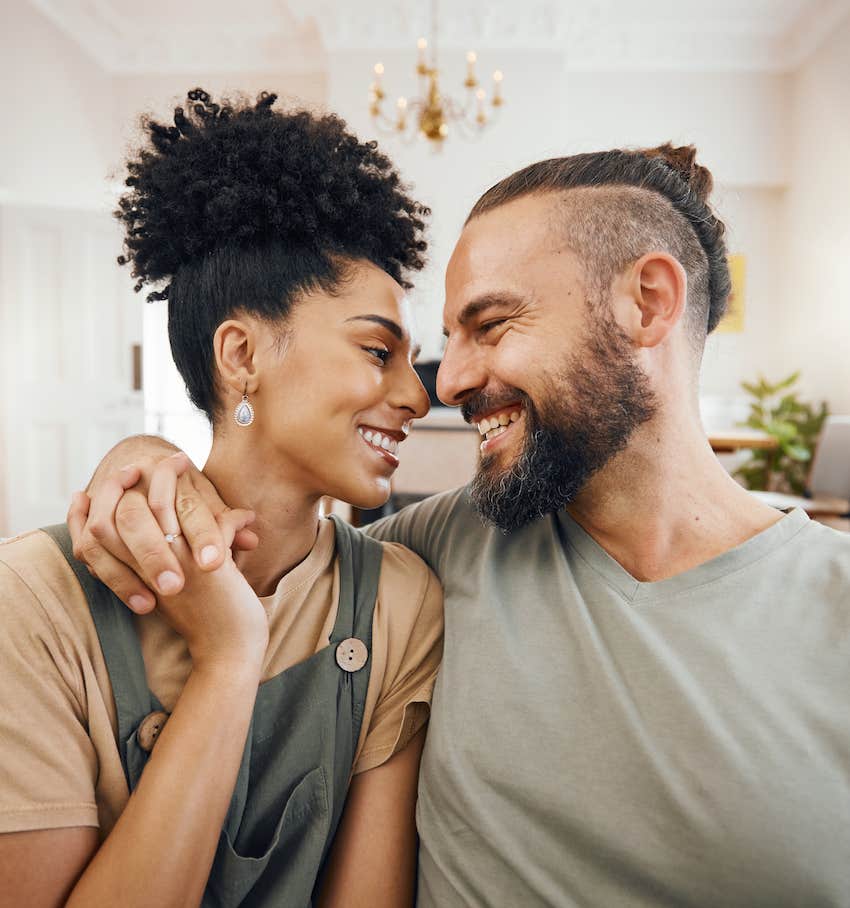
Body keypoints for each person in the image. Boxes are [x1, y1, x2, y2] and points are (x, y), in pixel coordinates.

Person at [67, 144, 849, 906]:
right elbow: (275, 551)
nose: (453, 381)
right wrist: (151, 464)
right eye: (447, 341)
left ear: (647, 302)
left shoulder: (833, 605)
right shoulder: (436, 554)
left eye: (492, 325)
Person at [0, 89, 444, 907]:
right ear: (240, 353)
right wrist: (230, 655)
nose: (416, 398)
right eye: (377, 351)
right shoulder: (32, 599)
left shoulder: (399, 603)